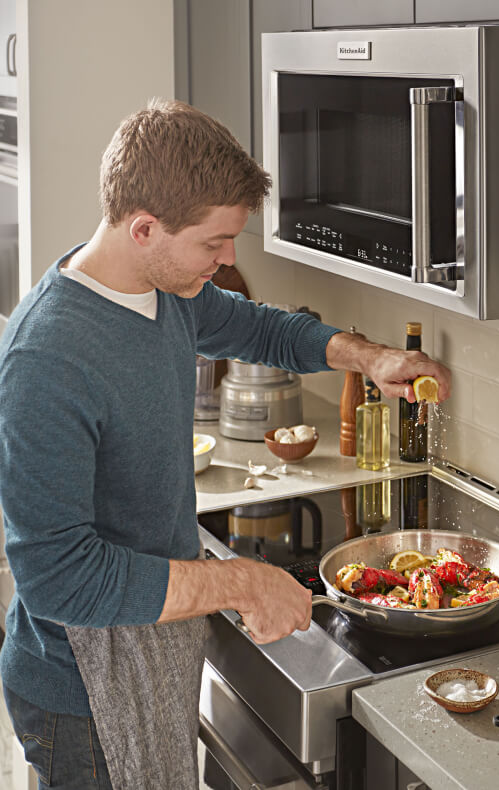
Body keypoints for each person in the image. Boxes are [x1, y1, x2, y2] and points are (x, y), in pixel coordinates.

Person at [0, 98, 453, 788]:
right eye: (214, 244)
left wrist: (370, 358)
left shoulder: (165, 287)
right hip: (82, 693)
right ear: (144, 227)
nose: (228, 259)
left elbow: (257, 328)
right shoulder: (47, 360)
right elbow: (59, 576)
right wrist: (241, 580)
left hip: (152, 649)